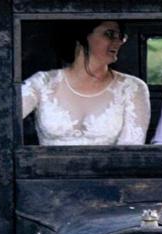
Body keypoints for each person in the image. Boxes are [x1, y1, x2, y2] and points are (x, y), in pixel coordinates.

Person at [17, 20, 148, 145]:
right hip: (44, 168)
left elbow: (130, 150)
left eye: (120, 36)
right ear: (82, 35)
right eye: (109, 34)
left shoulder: (132, 87)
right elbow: (1, 124)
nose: (118, 42)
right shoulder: (42, 83)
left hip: (110, 168)